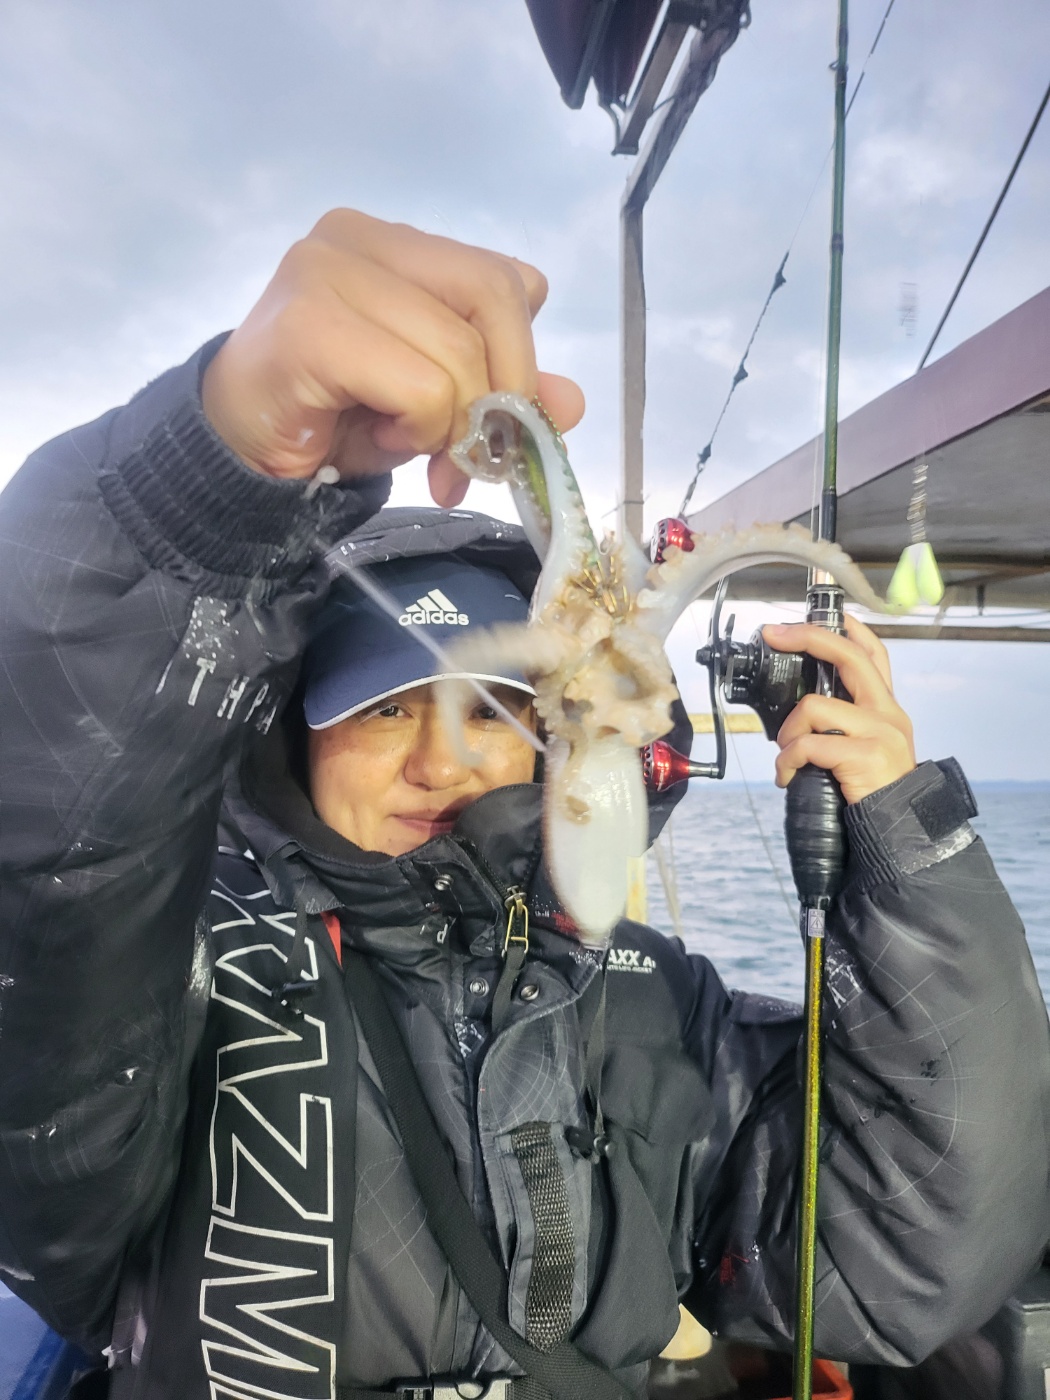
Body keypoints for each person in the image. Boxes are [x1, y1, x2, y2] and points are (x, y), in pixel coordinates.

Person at [0, 209, 1047, 1400]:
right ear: (293, 735)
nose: (442, 763)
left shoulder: (661, 998)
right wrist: (192, 503)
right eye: (385, 709)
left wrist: (906, 847)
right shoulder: (168, 987)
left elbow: (900, 1260)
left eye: (489, 709)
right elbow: (57, 867)